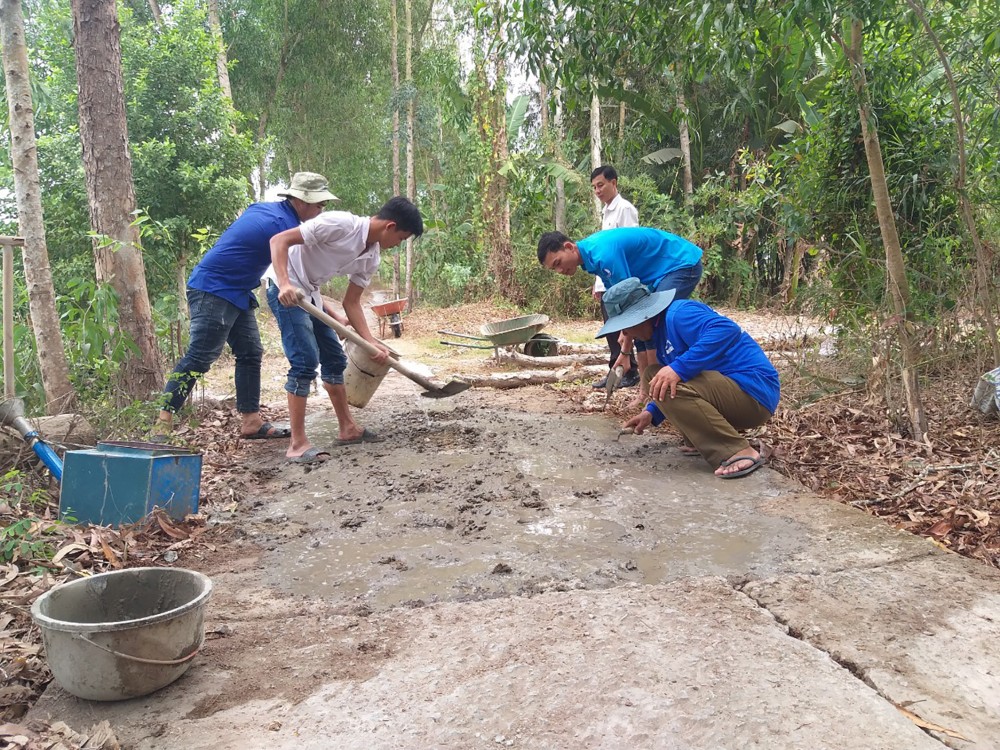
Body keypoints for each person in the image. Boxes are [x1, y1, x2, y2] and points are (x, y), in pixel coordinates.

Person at [153, 172, 337, 441]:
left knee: (250, 352)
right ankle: (162, 423)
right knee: (200, 356)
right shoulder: (283, 224)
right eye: (319, 203)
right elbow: (294, 263)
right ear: (301, 200)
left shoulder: (266, 209)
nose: (323, 208)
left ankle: (251, 421)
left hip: (237, 290)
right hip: (212, 287)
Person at [265, 196, 423, 464]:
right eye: (401, 239)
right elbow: (278, 241)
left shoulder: (371, 257)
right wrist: (284, 284)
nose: (397, 245)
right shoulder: (339, 224)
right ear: (391, 226)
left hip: (311, 295)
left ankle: (348, 429)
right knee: (304, 361)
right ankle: (297, 444)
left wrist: (370, 341)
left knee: (335, 360)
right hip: (287, 290)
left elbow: (352, 302)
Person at [598, 278, 779, 479]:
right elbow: (680, 380)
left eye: (625, 327)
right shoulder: (660, 333)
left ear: (640, 318)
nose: (625, 334)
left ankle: (737, 450)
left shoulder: (679, 314)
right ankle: (702, 439)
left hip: (754, 393)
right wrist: (651, 413)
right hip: (731, 393)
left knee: (658, 375)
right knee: (655, 374)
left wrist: (678, 368)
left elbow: (726, 330)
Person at [537, 226, 704, 404]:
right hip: (657, 275)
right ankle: (645, 393)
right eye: (554, 269)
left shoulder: (603, 254)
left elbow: (633, 311)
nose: (560, 271)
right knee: (640, 329)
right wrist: (626, 342)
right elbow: (627, 310)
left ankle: (659, 398)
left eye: (558, 263)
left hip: (680, 264)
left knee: (654, 325)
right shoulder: (590, 258)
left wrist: (625, 348)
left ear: (569, 247)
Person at [589, 166, 640, 390]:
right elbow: (603, 253)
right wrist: (598, 283)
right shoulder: (606, 212)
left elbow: (630, 247)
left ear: (614, 183)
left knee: (625, 327)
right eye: (594, 187)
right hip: (607, 282)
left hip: (621, 281)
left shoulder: (625, 209)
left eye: (601, 185)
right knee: (611, 328)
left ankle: (632, 371)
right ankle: (616, 370)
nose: (597, 191)